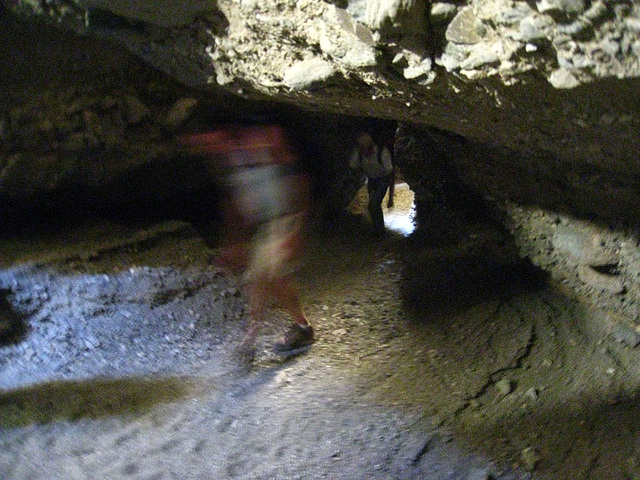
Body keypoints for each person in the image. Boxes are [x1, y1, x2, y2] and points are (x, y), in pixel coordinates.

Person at [179, 123, 314, 362]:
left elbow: (299, 182)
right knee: (258, 280)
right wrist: (234, 243)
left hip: (284, 220)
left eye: (204, 141)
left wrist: (296, 231)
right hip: (266, 226)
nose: (202, 148)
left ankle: (297, 329)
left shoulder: (263, 140)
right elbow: (236, 203)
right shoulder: (230, 160)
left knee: (273, 278)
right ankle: (256, 338)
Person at [349, 132, 394, 236]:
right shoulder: (359, 153)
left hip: (383, 179)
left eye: (365, 148)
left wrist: (391, 198)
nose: (364, 151)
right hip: (372, 179)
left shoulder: (382, 153)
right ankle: (378, 229)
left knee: (374, 204)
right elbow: (352, 168)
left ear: (370, 145)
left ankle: (380, 231)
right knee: (372, 206)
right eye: (361, 149)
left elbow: (391, 175)